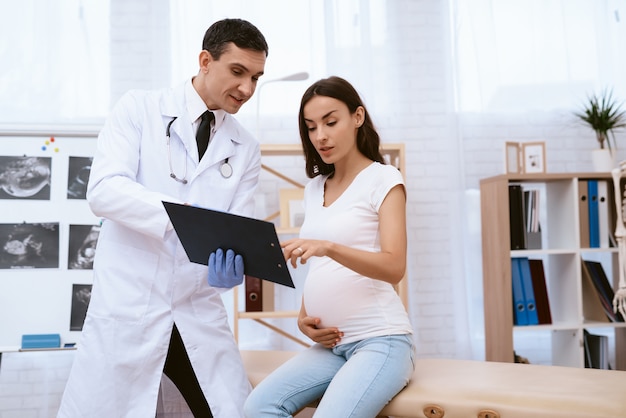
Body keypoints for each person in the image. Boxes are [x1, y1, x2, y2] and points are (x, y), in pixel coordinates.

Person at [58, 18, 268, 418]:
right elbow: (103, 190)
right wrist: (179, 217)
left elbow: (235, 232)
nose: (247, 89)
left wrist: (230, 269)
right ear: (206, 60)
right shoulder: (139, 108)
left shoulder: (245, 148)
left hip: (196, 307)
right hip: (130, 304)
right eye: (238, 72)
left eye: (256, 78)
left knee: (232, 410)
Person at [243, 76, 414, 418]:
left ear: (357, 117)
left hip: (381, 340)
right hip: (332, 346)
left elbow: (394, 266)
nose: (320, 135)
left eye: (330, 122)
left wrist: (329, 247)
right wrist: (304, 317)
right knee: (258, 407)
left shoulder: (385, 180)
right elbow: (318, 264)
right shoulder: (314, 187)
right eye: (311, 127)